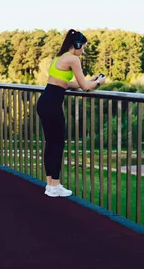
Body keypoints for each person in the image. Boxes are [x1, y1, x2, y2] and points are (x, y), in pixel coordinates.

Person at [36, 29, 106, 197]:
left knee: (51, 143)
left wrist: (90, 81)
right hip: (53, 105)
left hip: (45, 100)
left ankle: (51, 185)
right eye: (83, 48)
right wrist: (98, 82)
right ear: (77, 45)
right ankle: (55, 186)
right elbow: (85, 88)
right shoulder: (73, 59)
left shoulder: (59, 58)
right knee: (57, 144)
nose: (84, 51)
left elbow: (66, 84)